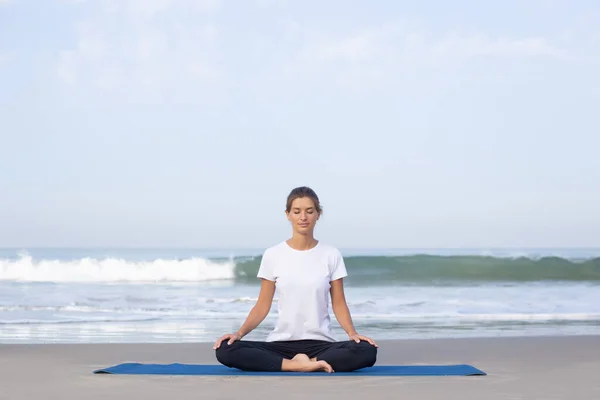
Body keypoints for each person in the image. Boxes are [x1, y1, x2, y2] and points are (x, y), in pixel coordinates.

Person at [213, 186, 378, 373]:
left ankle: (305, 362)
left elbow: (339, 303)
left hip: (321, 344)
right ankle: (300, 365)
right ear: (288, 214)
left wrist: (352, 334)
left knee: (366, 350)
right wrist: (239, 334)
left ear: (318, 214)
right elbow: (262, 305)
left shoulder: (331, 254)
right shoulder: (273, 254)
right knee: (226, 349)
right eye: (297, 211)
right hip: (281, 344)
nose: (303, 217)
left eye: (309, 211)